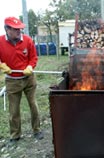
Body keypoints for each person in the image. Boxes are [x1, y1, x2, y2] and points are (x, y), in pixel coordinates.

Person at [0, 17, 43, 145]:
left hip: (28, 79)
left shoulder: (28, 41)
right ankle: (15, 135)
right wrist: (1, 65)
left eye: (20, 29)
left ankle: (37, 130)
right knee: (14, 110)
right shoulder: (0, 42)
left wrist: (30, 66)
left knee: (33, 105)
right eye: (16, 29)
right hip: (12, 81)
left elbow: (33, 57)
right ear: (7, 29)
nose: (19, 31)